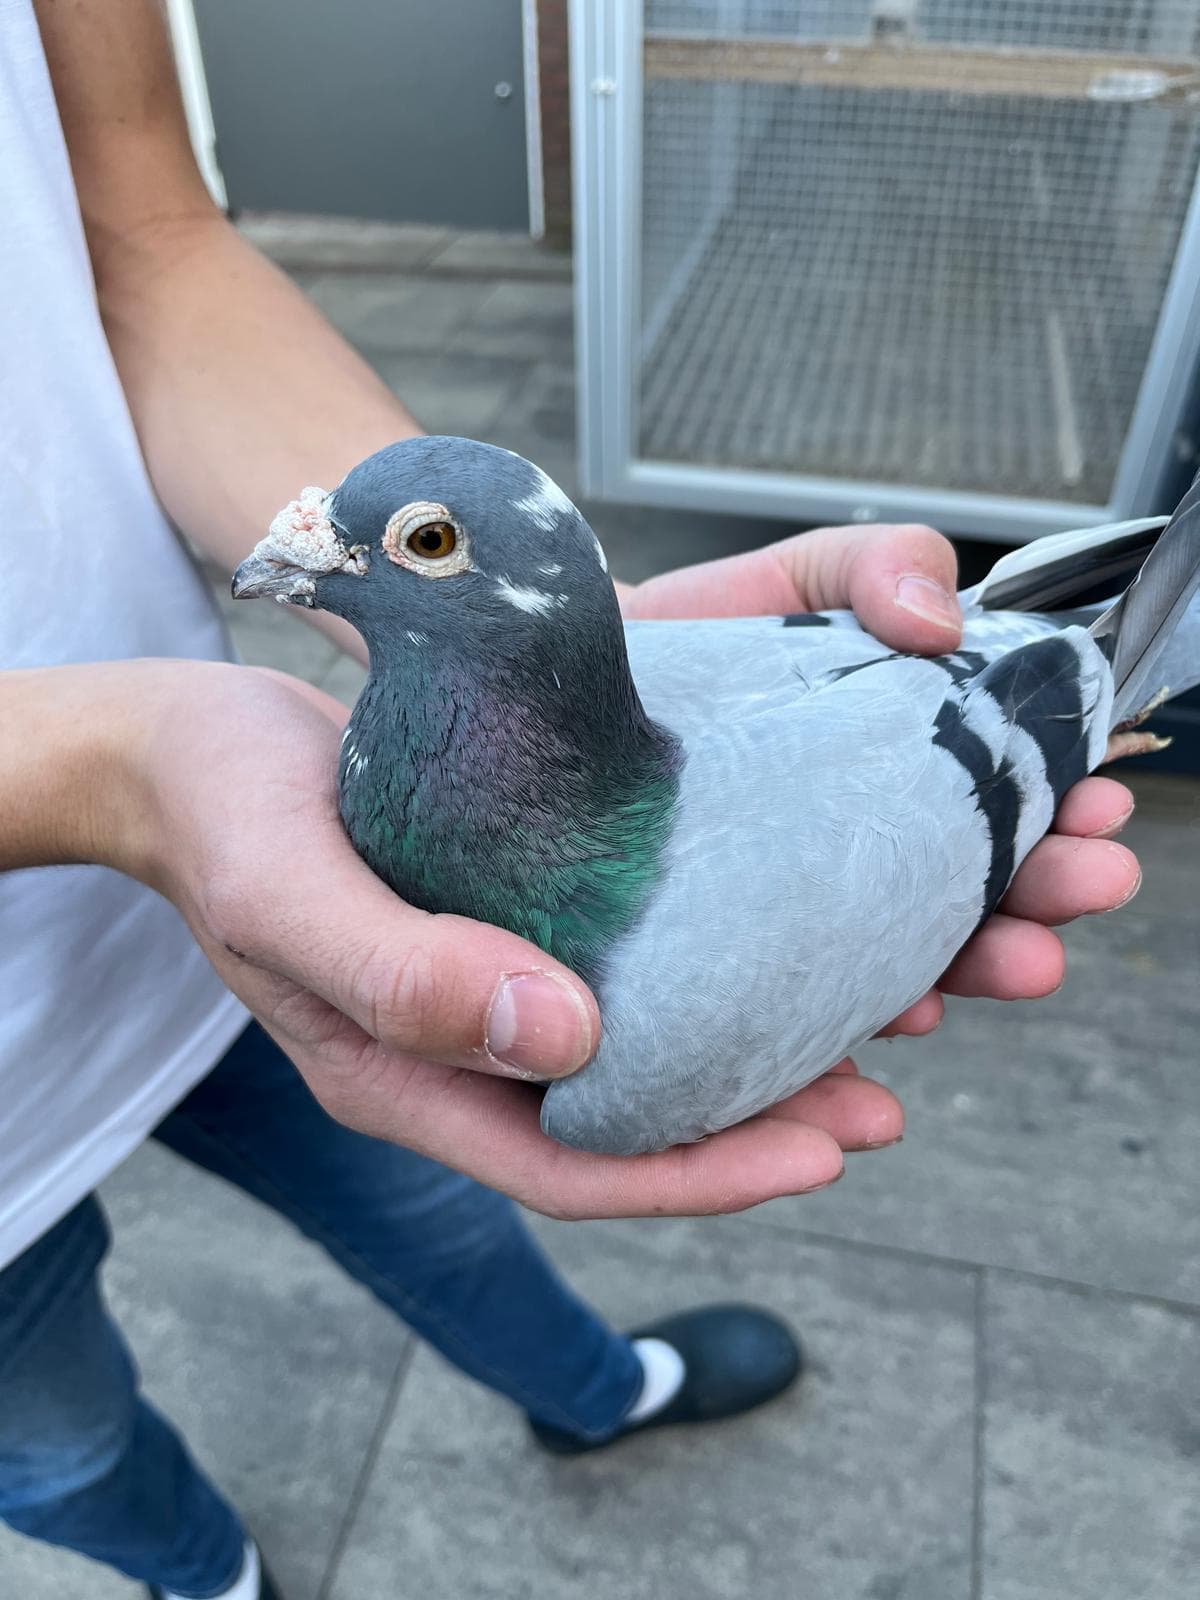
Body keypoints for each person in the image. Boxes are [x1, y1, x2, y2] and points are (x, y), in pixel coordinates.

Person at [0, 3, 1144, 1598]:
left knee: (450, 1210)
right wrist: (120, 766)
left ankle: (596, 1393)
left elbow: (152, 238)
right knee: (53, 1439)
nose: (294, 550)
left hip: (228, 916)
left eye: (407, 546)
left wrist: (172, 754)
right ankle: (206, 1573)